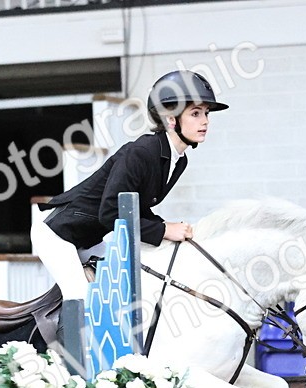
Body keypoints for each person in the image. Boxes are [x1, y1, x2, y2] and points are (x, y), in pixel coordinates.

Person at [32, 71, 229, 299]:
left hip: (89, 239)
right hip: (58, 234)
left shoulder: (178, 160)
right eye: (195, 113)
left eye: (205, 113)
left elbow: (137, 207)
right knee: (81, 297)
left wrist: (167, 226)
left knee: (127, 287)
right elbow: (110, 213)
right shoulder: (141, 152)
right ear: (170, 119)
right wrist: (164, 230)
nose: (205, 121)